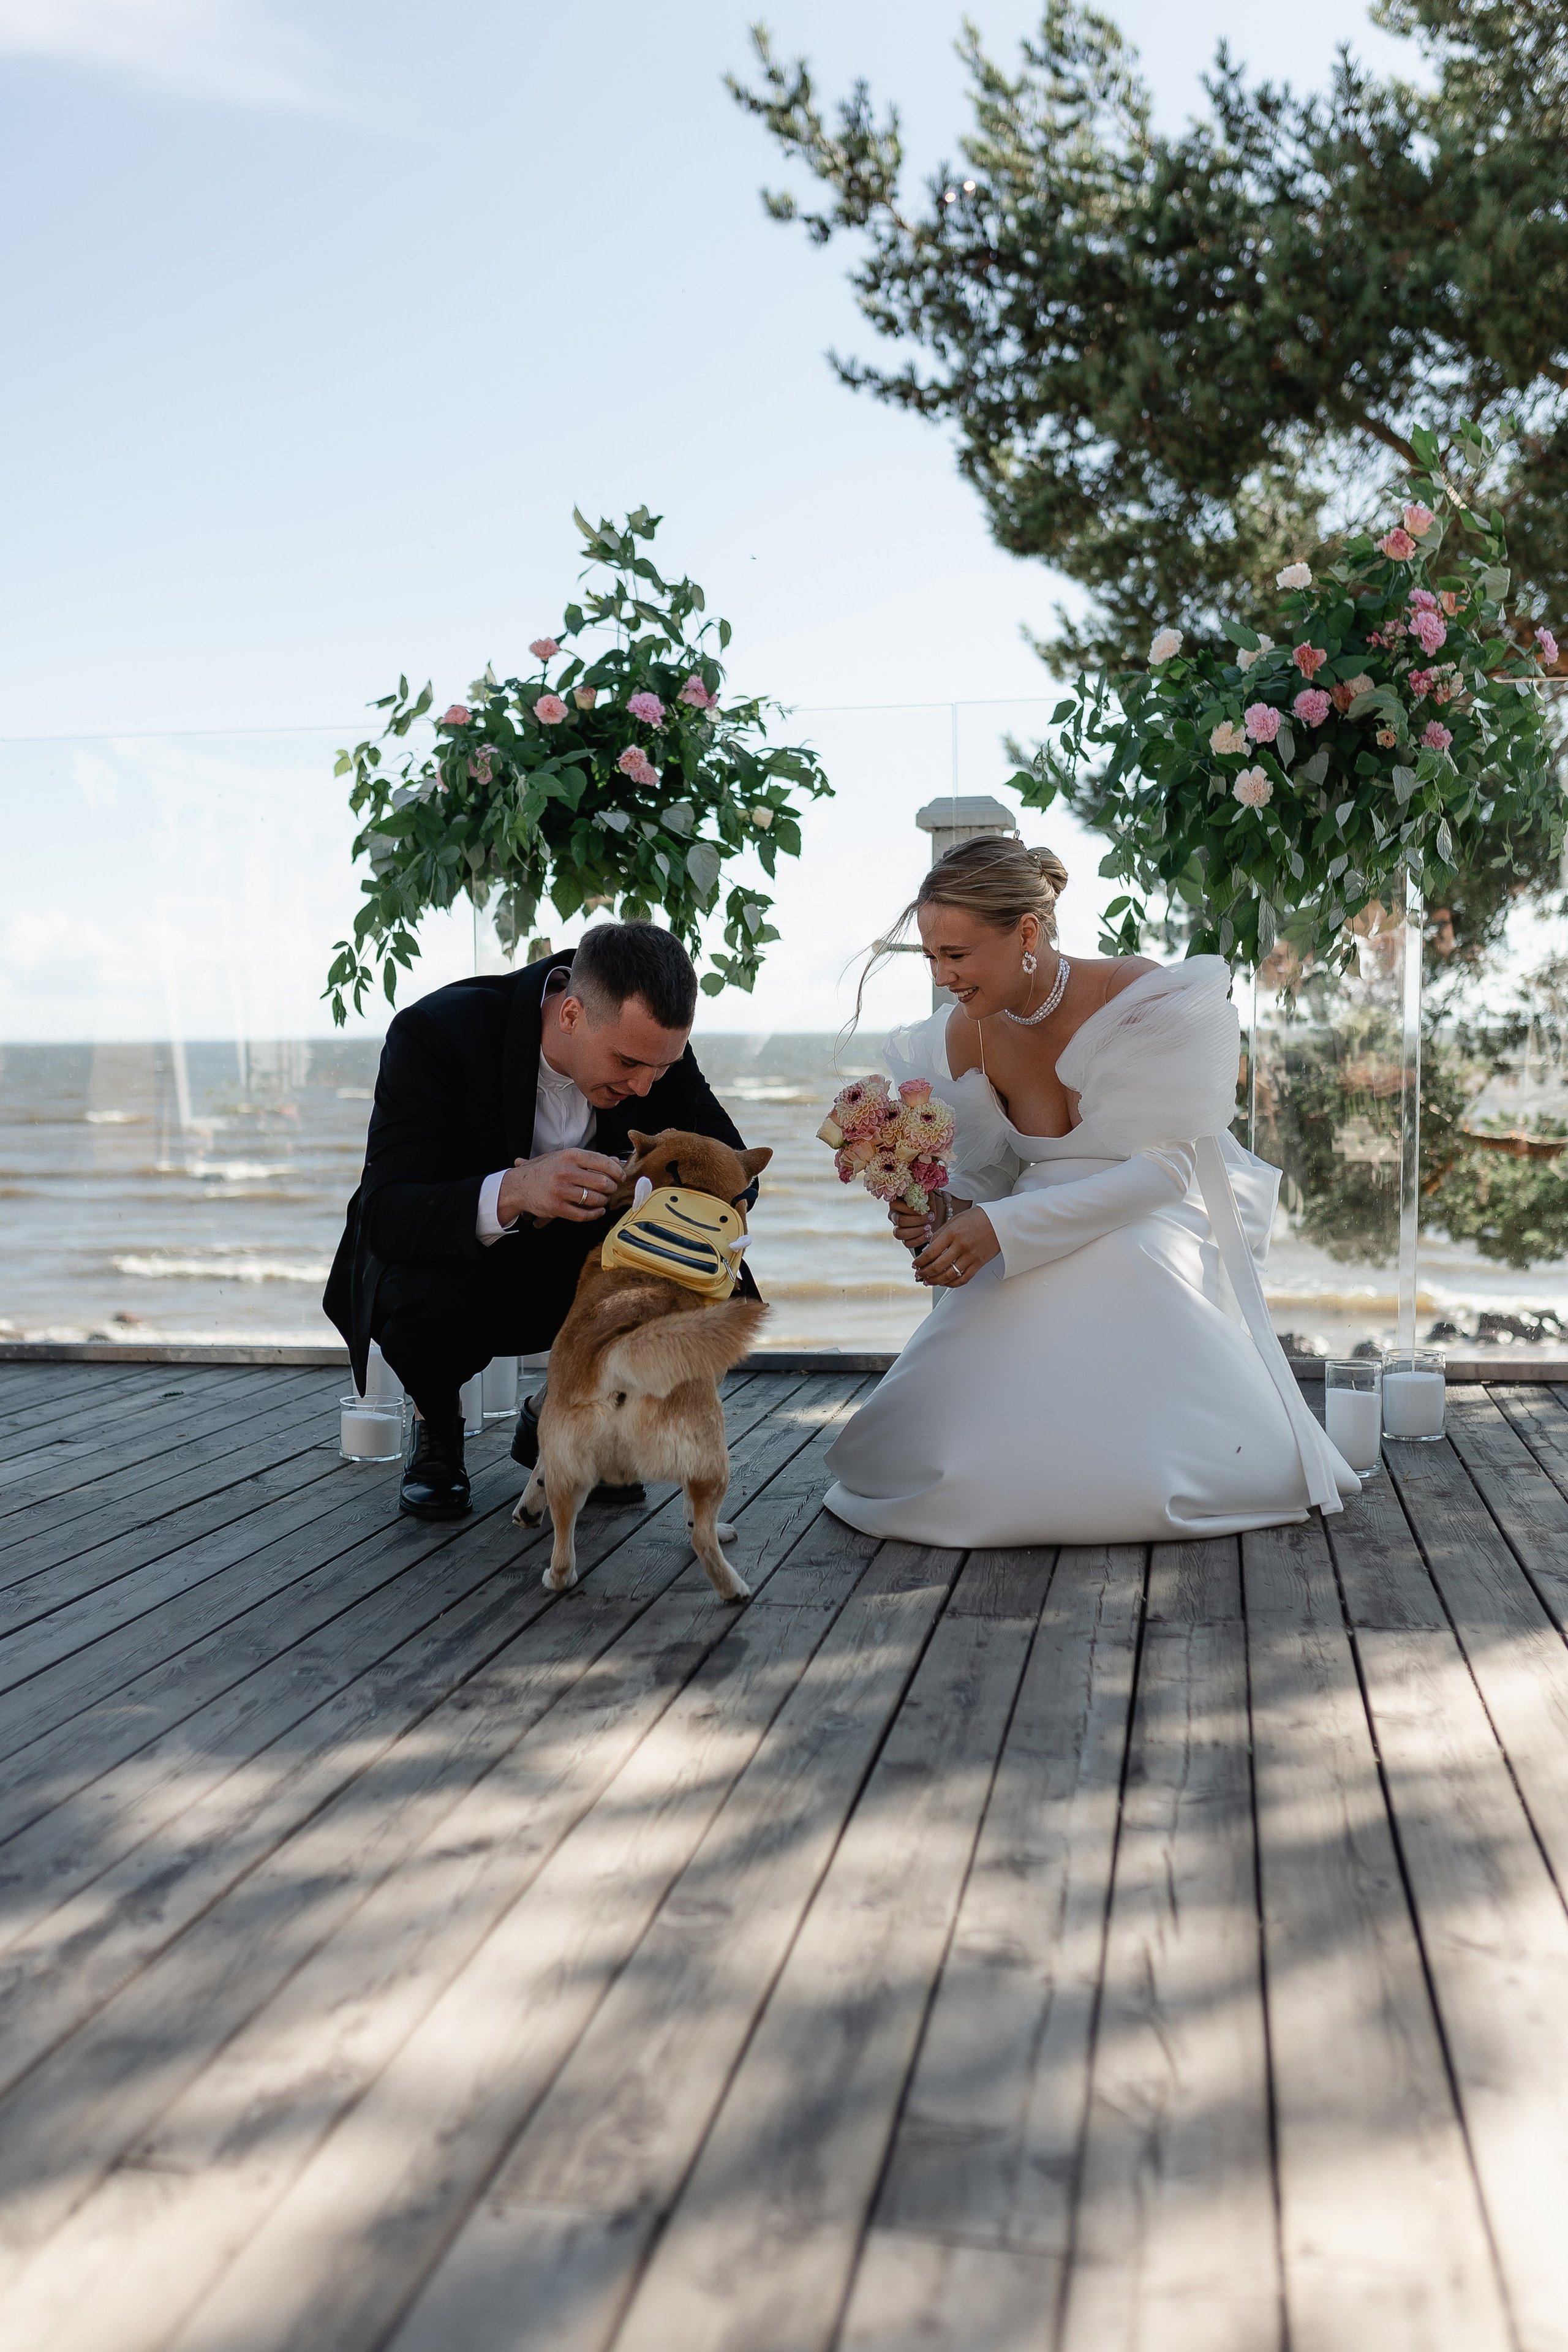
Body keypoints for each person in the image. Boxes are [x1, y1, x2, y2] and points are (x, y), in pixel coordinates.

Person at [824, 837, 1358, 1545]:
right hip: (1030, 1217)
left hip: (1155, 1210)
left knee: (1113, 1260)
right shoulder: (965, 1035)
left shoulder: (1135, 994)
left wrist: (1003, 1231)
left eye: (956, 955)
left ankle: (1148, 1476)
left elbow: (1167, 1171)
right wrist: (947, 1210)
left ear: (1026, 933)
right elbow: (990, 1172)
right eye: (931, 957)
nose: (942, 976)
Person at [324, 922, 758, 1521]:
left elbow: (735, 1175)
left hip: (571, 1268)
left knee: (695, 1272)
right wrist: (515, 1190)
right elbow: (387, 1211)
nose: (642, 1085)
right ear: (572, 1014)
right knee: (419, 1277)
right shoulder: (437, 1032)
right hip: (449, 1267)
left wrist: (637, 1182)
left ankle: (556, 1410)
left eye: (659, 1069)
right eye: (629, 1063)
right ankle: (438, 1432)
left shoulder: (651, 1049)